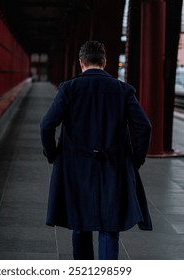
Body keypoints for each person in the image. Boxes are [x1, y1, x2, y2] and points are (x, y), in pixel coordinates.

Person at [40, 41, 152, 260]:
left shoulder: (69, 89)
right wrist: (134, 159)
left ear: (81, 62)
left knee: (80, 224)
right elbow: (144, 126)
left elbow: (46, 126)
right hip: (114, 166)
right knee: (110, 227)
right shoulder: (122, 90)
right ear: (105, 62)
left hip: (76, 167)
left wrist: (53, 154)